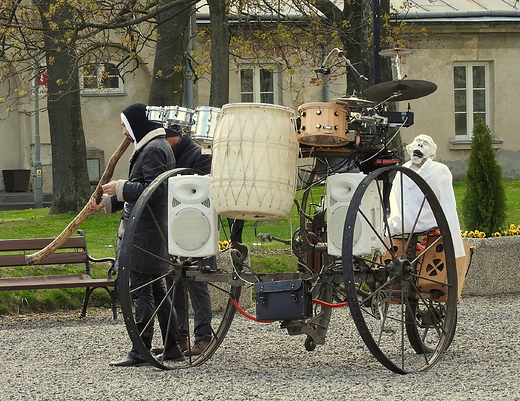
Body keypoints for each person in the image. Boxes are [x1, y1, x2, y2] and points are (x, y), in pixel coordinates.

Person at [89, 103, 185, 366]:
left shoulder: (153, 149)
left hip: (145, 232)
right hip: (150, 229)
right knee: (156, 288)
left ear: (136, 125)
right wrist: (110, 201)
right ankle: (172, 346)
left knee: (142, 292)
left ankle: (140, 349)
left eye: (124, 125)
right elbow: (143, 191)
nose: (123, 132)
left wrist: (119, 187)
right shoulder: (155, 146)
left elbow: (153, 190)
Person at [164, 125, 215, 356]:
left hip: (197, 226)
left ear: (177, 135)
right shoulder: (166, 153)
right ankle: (179, 336)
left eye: (167, 136)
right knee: (174, 283)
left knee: (197, 284)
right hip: (174, 224)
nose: (164, 141)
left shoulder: (198, 155)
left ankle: (203, 338)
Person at [388, 134, 466, 259]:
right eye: (418, 142)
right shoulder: (403, 170)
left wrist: (453, 241)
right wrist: (395, 218)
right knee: (379, 232)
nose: (420, 145)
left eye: (425, 144)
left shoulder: (440, 171)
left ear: (431, 154)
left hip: (426, 219)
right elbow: (395, 197)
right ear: (410, 148)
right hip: (402, 220)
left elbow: (448, 202)